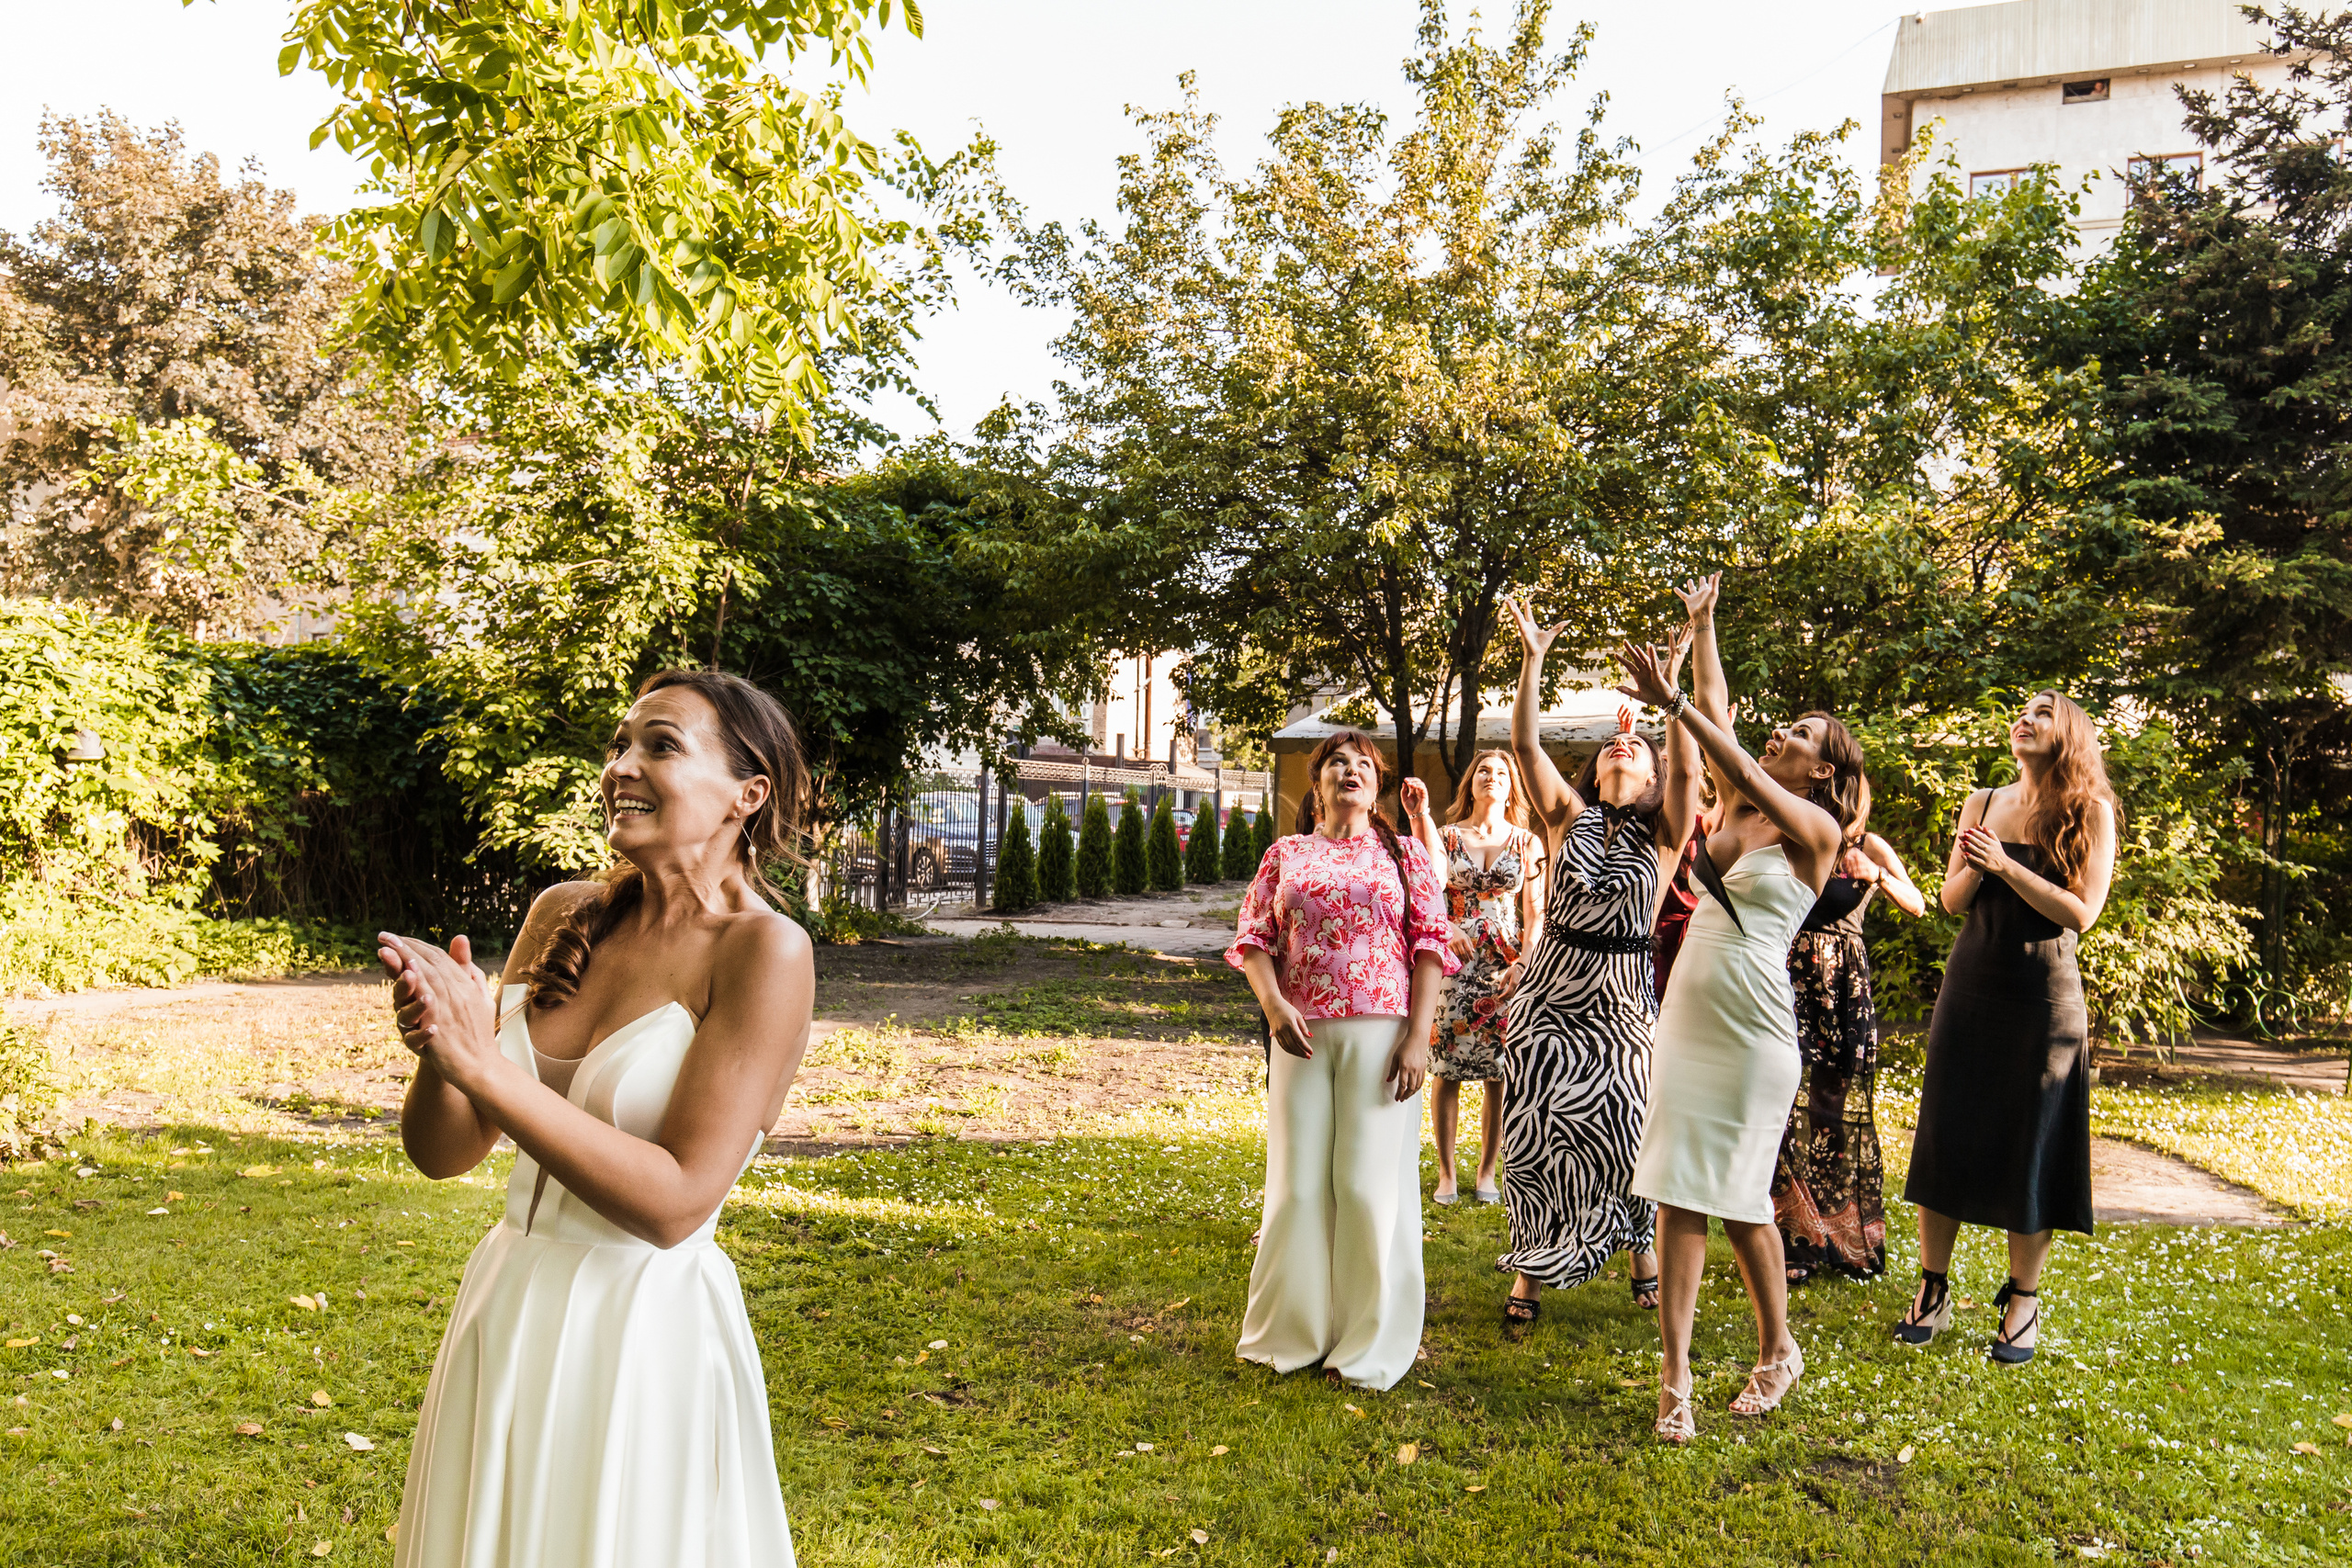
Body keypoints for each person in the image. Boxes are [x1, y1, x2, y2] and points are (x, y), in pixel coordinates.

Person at [377, 669, 813, 1567]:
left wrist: (483, 1066)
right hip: (507, 1304)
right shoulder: (561, 913)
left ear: (748, 792)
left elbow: (676, 1203)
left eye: (660, 744)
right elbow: (443, 1151)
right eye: (619, 745)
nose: (621, 765)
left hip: (641, 1334)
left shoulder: (765, 951)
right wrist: (442, 1050)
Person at [1617, 608, 1861, 1445]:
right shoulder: (1732, 810)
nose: (1775, 734)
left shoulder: (1816, 829)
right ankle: (1674, 1377)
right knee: (1680, 1188)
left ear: (1822, 766)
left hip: (1757, 1027)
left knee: (1743, 1199)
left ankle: (1776, 1350)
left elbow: (1738, 760)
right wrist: (1705, 626)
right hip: (1688, 1015)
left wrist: (1674, 704)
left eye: (1795, 732)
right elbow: (1720, 718)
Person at [1491, 596, 1699, 1327]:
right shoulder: (1566, 817)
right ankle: (1530, 1272)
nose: (1624, 746)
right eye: (1615, 745)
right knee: (1535, 1130)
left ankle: (1639, 1245)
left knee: (1627, 1125)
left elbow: (1694, 772)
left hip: (1622, 1000)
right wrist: (1532, 660)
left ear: (1652, 775)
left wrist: (1669, 698)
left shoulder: (1666, 832)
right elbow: (1523, 747)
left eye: (1638, 748)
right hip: (1552, 992)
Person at [1227, 729, 1455, 1392]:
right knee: (1297, 1187)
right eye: (1336, 763)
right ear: (1316, 781)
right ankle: (1288, 1336)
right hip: (1299, 1032)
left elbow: (1433, 944)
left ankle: (1368, 1345)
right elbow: (1253, 938)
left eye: (1362, 764)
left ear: (1375, 785)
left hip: (1382, 1034)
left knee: (1363, 1186)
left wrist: (1419, 1035)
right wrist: (1273, 1007)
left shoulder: (1404, 854)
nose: (1349, 771)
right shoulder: (1285, 854)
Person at [1897, 690, 2119, 1365]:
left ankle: (2023, 1298)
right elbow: (1950, 897)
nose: (2024, 718)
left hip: (2043, 1001)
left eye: (2042, 711)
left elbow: (2082, 913)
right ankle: (1932, 1288)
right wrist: (1975, 865)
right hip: (1971, 987)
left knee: (2033, 1143)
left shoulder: (2090, 812)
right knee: (1946, 1131)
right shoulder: (1983, 801)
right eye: (2022, 710)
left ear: (2069, 732)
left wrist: (2006, 865)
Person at [1770, 782, 1927, 1287]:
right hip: (1787, 978)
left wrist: (1876, 874)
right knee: (1783, 1107)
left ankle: (1844, 1240)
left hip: (1842, 988)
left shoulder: (1869, 846)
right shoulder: (1791, 837)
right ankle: (1794, 1239)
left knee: (1834, 1115)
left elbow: (1918, 903)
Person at [1401, 749, 1544, 1207]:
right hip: (1453, 966)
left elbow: (1537, 912)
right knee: (1445, 1068)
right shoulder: (1445, 836)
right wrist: (1447, 926)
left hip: (1507, 971)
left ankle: (1486, 1171)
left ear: (1511, 786)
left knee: (1499, 1073)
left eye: (1502, 773)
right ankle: (1446, 1173)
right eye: (1484, 770)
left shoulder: (1528, 843)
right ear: (1471, 782)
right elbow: (1428, 893)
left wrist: (1525, 962)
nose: (1492, 777)